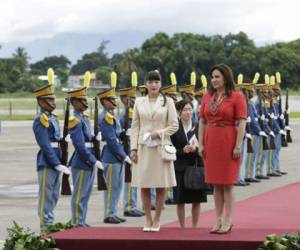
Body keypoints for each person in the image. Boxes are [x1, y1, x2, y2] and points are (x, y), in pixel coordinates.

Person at [198, 64, 247, 234]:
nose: (213, 80)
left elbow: (242, 121)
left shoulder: (236, 96)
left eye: (217, 76)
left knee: (228, 183)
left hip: (228, 140)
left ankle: (228, 219)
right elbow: (202, 120)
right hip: (211, 140)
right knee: (216, 184)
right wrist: (201, 143)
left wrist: (238, 145)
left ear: (225, 77)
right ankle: (218, 218)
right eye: (212, 77)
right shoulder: (207, 96)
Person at [130, 70, 178, 232]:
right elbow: (135, 126)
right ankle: (148, 219)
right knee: (144, 184)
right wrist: (133, 148)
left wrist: (159, 133)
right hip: (143, 148)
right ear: (146, 84)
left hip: (160, 147)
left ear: (160, 84)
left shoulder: (168, 101)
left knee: (160, 185)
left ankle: (157, 219)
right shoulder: (139, 102)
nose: (153, 85)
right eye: (150, 82)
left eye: (156, 82)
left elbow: (174, 125)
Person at [33, 79, 70, 233]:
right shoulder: (40, 120)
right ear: (41, 101)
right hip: (48, 163)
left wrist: (63, 140)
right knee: (45, 197)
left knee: (53, 196)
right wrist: (56, 163)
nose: (53, 101)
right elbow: (45, 145)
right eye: (49, 99)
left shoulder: (53, 118)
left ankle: (50, 223)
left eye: (53, 98)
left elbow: (55, 140)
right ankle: (45, 228)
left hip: (57, 160)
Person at [98, 72, 132, 224]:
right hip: (111, 157)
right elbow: (111, 140)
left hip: (116, 156)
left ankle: (113, 212)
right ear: (104, 101)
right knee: (111, 188)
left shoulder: (111, 115)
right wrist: (124, 155)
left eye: (114, 98)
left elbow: (117, 135)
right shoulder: (105, 117)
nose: (114, 101)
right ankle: (108, 214)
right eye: (111, 99)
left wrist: (125, 133)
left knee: (117, 187)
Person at [68, 86, 103, 227]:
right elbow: (80, 146)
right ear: (74, 102)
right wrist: (93, 160)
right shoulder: (74, 120)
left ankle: (81, 220)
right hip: (82, 161)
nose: (85, 102)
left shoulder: (84, 118)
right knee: (79, 195)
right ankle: (77, 222)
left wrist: (95, 137)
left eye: (85, 99)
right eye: (82, 100)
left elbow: (87, 139)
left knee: (85, 195)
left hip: (88, 160)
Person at [171, 100, 207, 228]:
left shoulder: (199, 127)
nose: (188, 112)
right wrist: (182, 150)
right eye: (185, 109)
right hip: (180, 167)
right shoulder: (174, 128)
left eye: (190, 109)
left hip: (196, 166)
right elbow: (168, 148)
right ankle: (182, 227)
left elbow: (205, 147)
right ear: (179, 112)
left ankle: (194, 227)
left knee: (196, 200)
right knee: (180, 200)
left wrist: (196, 149)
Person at [119, 79, 144, 217]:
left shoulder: (134, 114)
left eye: (135, 97)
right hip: (127, 150)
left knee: (134, 178)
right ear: (124, 99)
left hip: (135, 148)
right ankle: (129, 205)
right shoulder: (124, 116)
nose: (134, 100)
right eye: (131, 98)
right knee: (129, 178)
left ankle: (133, 204)